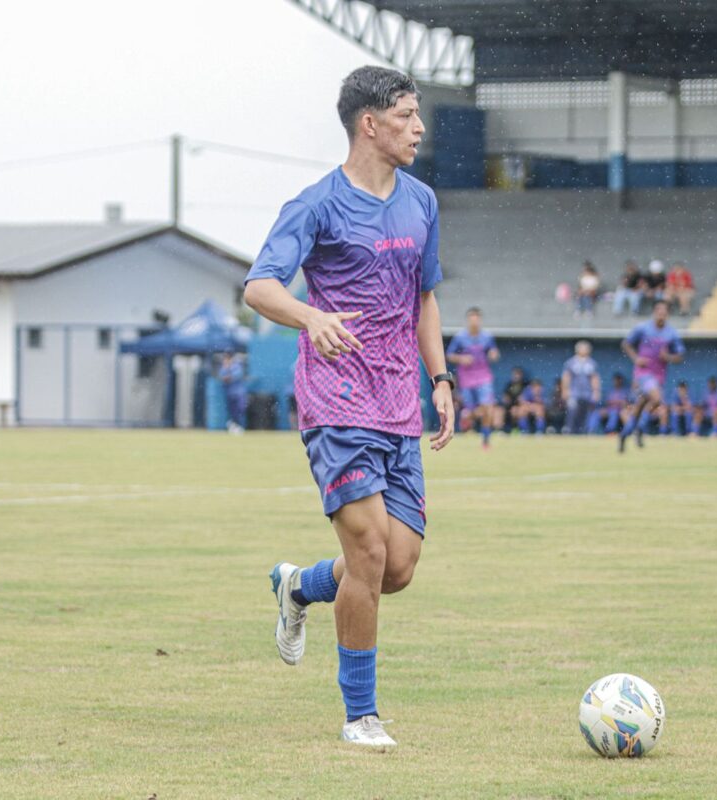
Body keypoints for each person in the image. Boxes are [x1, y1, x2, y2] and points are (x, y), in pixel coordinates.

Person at [243, 66, 453, 749]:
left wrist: (441, 377)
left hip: (399, 405)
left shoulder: (421, 203)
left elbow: (425, 299)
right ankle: (361, 715)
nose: (418, 127)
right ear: (371, 123)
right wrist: (311, 317)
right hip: (335, 403)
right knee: (367, 551)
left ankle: (299, 586)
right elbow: (260, 287)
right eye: (407, 115)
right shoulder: (317, 205)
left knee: (397, 568)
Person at [619, 301, 685, 453]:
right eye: (659, 311)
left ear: (667, 314)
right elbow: (626, 344)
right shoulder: (643, 328)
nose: (661, 314)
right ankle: (640, 428)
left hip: (659, 375)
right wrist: (636, 359)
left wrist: (667, 356)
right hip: (643, 373)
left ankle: (626, 434)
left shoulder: (671, 334)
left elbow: (680, 356)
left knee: (640, 406)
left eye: (664, 312)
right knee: (657, 399)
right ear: (655, 312)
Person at [447, 307, 500, 449]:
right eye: (472, 318)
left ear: (480, 320)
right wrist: (461, 358)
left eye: (477, 318)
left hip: (484, 376)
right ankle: (466, 419)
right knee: (470, 411)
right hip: (466, 378)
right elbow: (449, 355)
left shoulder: (487, 337)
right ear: (468, 320)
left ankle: (486, 440)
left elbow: (493, 351)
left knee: (487, 407)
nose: (474, 321)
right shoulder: (460, 337)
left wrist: (494, 354)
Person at [561, 340, 601, 434]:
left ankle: (583, 431)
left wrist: (596, 391)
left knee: (585, 413)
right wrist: (565, 390)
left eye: (586, 348)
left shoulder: (591, 363)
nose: (585, 350)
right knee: (572, 411)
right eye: (582, 348)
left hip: (587, 393)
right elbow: (566, 377)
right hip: (574, 393)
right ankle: (569, 430)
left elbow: (594, 378)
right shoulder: (571, 362)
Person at [498, 367, 529, 434]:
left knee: (517, 410)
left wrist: (523, 401)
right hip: (510, 405)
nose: (516, 376)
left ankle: (523, 430)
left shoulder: (525, 384)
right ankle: (501, 430)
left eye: (518, 374)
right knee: (500, 411)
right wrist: (506, 399)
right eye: (514, 374)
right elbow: (505, 397)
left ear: (521, 375)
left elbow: (525, 397)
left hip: (522, 405)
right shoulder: (509, 385)